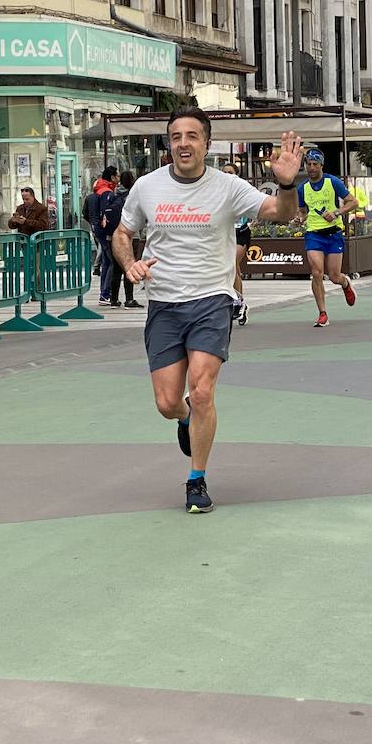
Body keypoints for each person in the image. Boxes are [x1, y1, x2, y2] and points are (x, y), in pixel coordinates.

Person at [111, 108, 303, 513]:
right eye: (176, 136)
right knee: (168, 403)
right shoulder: (147, 187)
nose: (183, 143)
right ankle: (183, 421)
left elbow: (282, 214)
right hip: (163, 301)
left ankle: (196, 480)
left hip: (212, 300)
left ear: (206, 143)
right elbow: (123, 232)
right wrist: (129, 263)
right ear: (169, 144)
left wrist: (287, 184)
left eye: (192, 136)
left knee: (201, 390)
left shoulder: (228, 187)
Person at [293, 149, 358, 328]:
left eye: (315, 164)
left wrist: (336, 212)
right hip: (314, 233)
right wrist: (300, 219)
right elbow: (304, 212)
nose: (311, 168)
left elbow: (353, 202)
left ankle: (345, 284)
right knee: (316, 272)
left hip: (333, 233)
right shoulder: (302, 188)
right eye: (308, 164)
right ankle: (322, 313)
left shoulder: (332, 182)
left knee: (334, 276)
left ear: (321, 165)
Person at [105, 172, 142, 309]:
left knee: (115, 269)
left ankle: (113, 299)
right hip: (130, 236)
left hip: (112, 236)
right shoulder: (132, 195)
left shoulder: (113, 194)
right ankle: (129, 299)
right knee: (129, 266)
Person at [87, 167, 121, 303]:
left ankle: (105, 293)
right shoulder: (107, 192)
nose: (118, 179)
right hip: (105, 231)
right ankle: (106, 294)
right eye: (117, 176)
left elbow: (87, 212)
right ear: (112, 177)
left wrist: (94, 225)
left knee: (107, 261)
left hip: (98, 230)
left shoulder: (97, 191)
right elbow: (107, 214)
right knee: (112, 261)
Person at [223, 163, 250, 326]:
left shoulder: (241, 190)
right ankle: (239, 302)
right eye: (224, 172)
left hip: (240, 233)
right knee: (232, 270)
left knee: (232, 265)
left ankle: (238, 302)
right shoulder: (217, 191)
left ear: (237, 174)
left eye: (230, 172)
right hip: (225, 234)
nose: (227, 175)